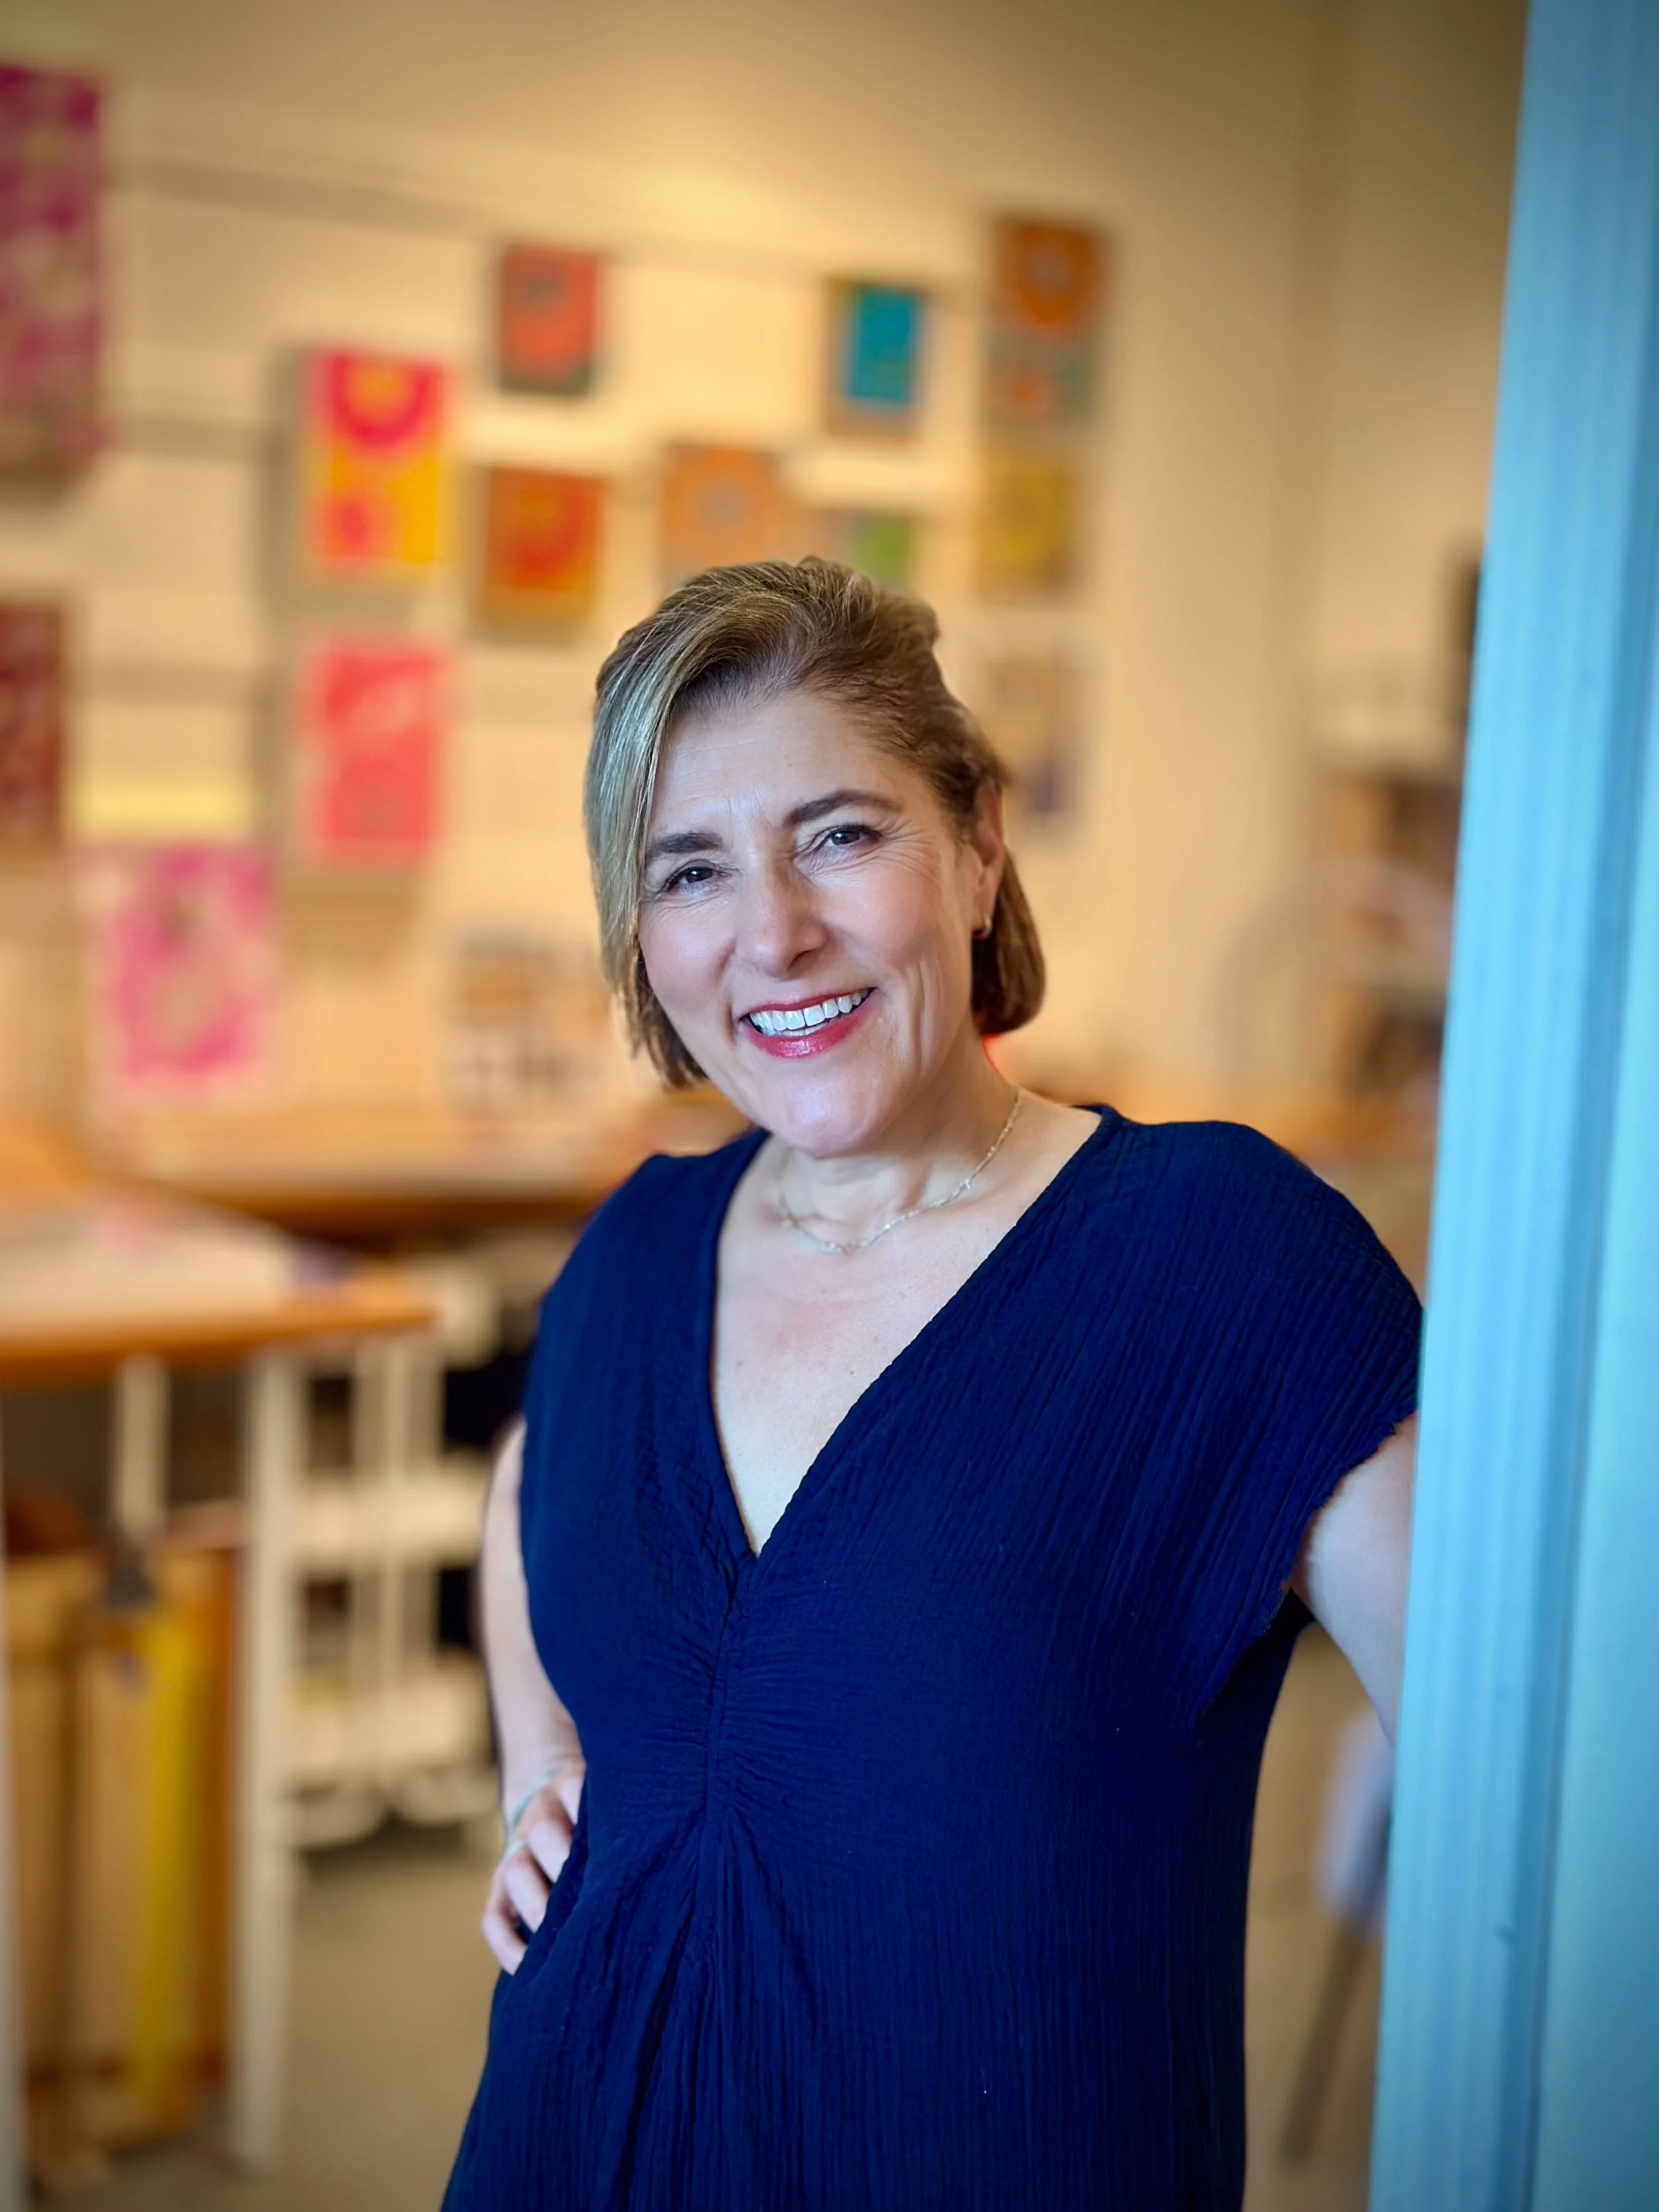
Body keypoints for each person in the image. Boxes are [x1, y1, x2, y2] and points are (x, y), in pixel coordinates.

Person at [443, 559, 1420, 2212]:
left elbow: (1539, 1782)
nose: (773, 930)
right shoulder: (635, 1248)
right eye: (690, 868)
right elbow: (527, 1490)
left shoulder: (1215, 1260)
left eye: (837, 834)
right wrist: (541, 1754)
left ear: (976, 846)